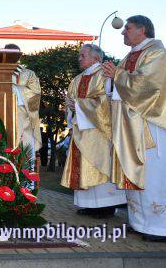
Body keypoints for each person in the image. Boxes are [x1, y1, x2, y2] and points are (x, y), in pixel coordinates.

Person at [102, 15, 166, 241]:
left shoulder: (158, 54)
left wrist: (117, 75)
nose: (123, 32)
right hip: (129, 125)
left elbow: (148, 85)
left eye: (127, 28)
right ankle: (140, 222)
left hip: (150, 123)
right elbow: (117, 87)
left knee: (153, 172)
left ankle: (161, 227)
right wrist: (111, 79)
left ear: (142, 30)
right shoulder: (130, 56)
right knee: (135, 170)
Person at [61, 44, 126, 217]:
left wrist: (78, 105)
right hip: (80, 130)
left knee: (100, 164)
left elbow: (107, 102)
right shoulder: (77, 79)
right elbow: (70, 100)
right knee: (83, 167)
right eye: (79, 55)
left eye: (82, 55)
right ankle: (89, 205)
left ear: (95, 58)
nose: (79, 58)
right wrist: (71, 107)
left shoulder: (104, 74)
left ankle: (107, 207)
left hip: (100, 130)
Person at [2, 44, 42, 159]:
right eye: (9, 54)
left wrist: (15, 88)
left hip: (23, 115)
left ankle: (24, 170)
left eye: (15, 55)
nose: (12, 57)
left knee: (24, 149)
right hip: (2, 112)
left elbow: (36, 93)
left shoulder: (28, 74)